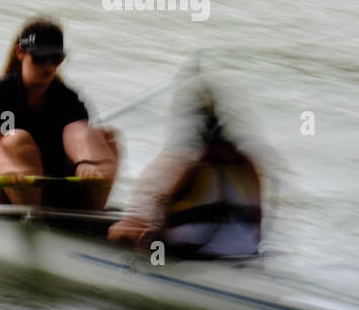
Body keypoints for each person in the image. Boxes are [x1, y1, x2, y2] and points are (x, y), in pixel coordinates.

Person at [0, 19, 118, 208]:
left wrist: (87, 161)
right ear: (20, 53)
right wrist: (6, 165)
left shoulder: (67, 99)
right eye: (40, 59)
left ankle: (90, 217)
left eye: (55, 59)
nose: (48, 66)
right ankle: (33, 222)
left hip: (49, 189)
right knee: (16, 139)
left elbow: (77, 133)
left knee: (106, 138)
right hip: (3, 190)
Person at [108, 93, 262, 258]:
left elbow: (168, 207)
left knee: (117, 234)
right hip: (244, 249)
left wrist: (150, 239)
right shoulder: (247, 163)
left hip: (198, 249)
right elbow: (259, 216)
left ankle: (151, 269)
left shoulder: (197, 167)